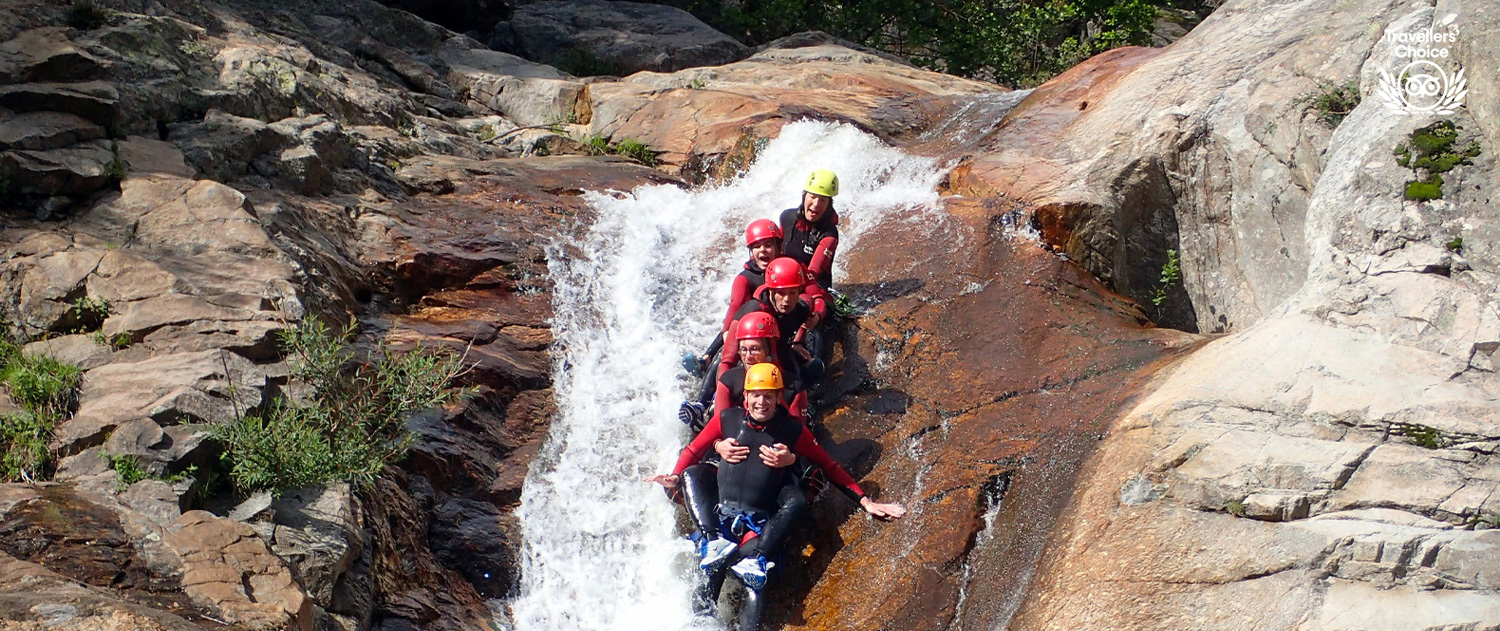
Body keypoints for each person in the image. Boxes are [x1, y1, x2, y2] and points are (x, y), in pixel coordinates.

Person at [647, 364, 904, 630]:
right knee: (695, 488)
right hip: (720, 520)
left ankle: (755, 564)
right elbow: (693, 450)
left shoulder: (791, 431)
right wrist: (675, 475)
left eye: (768, 396)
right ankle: (702, 602)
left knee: (755, 581)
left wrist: (866, 501)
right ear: (745, 396)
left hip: (756, 529)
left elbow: (830, 467)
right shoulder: (727, 419)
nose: (761, 402)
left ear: (779, 397)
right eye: (756, 395)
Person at [681, 219, 785, 421]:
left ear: (777, 247)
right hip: (748, 331)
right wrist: (727, 332)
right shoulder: (745, 279)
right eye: (757, 247)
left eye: (768, 245)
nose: (763, 251)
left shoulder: (785, 268)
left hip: (775, 333)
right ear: (751, 251)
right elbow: (735, 308)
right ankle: (702, 402)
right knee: (726, 354)